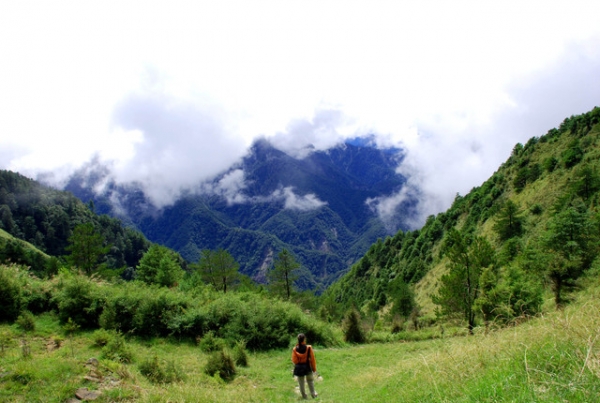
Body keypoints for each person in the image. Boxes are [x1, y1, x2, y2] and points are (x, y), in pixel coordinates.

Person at [291, 333, 318, 399]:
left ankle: (304, 396)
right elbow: (312, 359)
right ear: (304, 339)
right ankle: (313, 394)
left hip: (299, 368)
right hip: (307, 366)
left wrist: (299, 363)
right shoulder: (309, 348)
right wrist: (314, 368)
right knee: (310, 380)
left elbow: (294, 360)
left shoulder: (295, 349)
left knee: (301, 382)